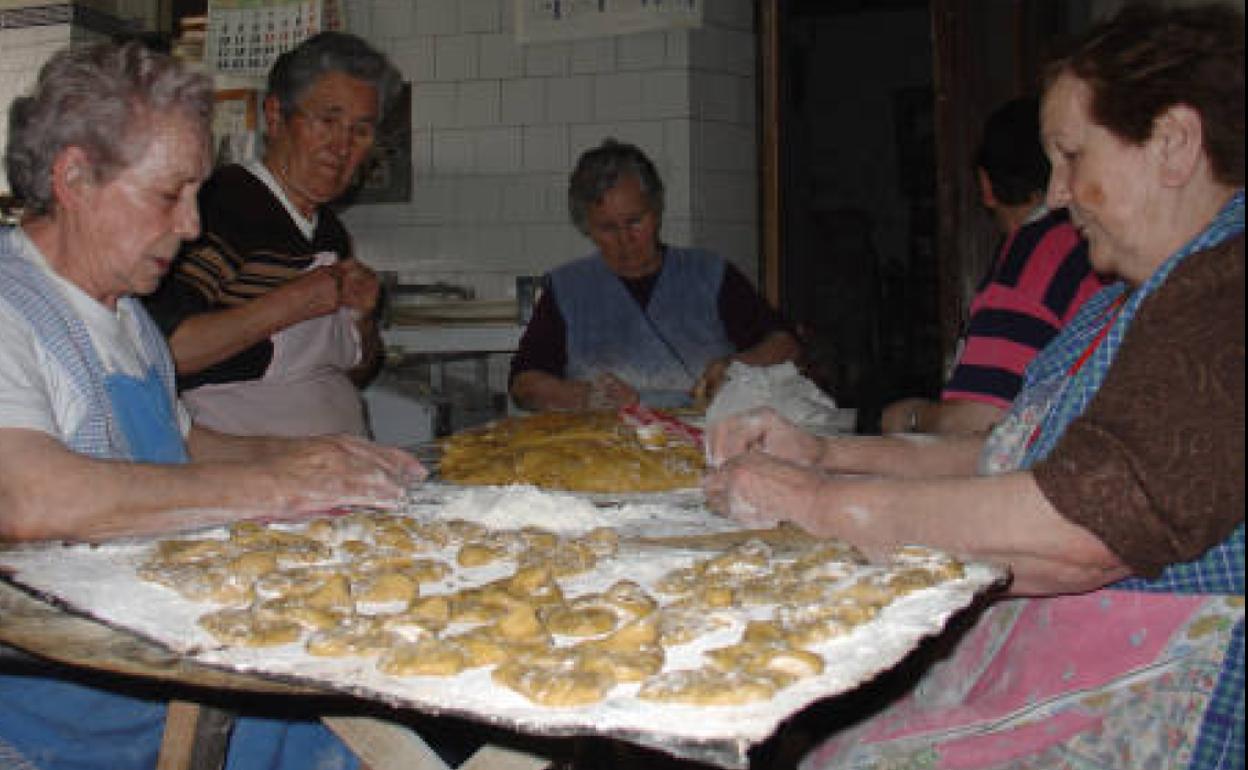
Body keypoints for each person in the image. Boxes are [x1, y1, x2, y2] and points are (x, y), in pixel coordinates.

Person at [704, 5, 1243, 768]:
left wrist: (819, 505)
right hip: (1041, 657)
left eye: (1071, 155)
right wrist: (821, 455)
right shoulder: (1135, 298)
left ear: (1174, 143)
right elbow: (1010, 452)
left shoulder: (1228, 296)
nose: (1055, 195)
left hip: (1155, 697)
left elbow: (1081, 534)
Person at [0, 40, 424, 770]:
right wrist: (278, 486)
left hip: (167, 649)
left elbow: (185, 443)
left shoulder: (127, 316)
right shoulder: (13, 306)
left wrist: (320, 460)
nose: (193, 226)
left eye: (197, 193)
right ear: (74, 176)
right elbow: (27, 497)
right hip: (70, 704)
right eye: (170, 195)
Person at [144, 31, 400, 438]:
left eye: (361, 131)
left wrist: (364, 321)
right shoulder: (216, 207)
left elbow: (355, 374)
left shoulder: (331, 233)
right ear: (277, 117)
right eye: (327, 122)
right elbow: (162, 352)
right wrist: (293, 302)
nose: (342, 146)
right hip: (238, 476)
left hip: (332, 470)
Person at [509, 139, 801, 412]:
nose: (625, 239)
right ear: (587, 227)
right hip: (602, 448)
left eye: (635, 221)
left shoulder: (709, 274)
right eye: (608, 228)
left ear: (657, 210)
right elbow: (523, 384)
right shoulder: (568, 289)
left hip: (710, 441)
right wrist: (582, 396)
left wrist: (736, 366)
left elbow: (785, 345)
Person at [881, 96, 1106, 435]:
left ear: (986, 185)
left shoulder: (1036, 255)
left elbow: (982, 421)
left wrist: (910, 417)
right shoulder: (1093, 243)